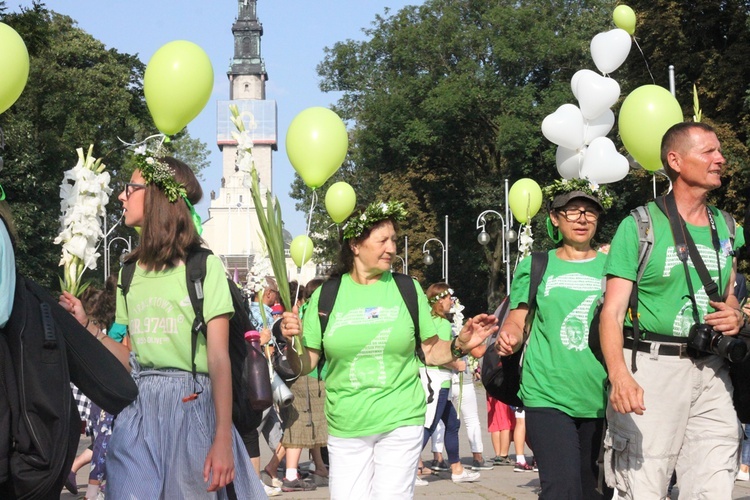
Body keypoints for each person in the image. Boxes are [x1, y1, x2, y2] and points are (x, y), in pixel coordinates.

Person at [279, 200, 497, 499]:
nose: (392, 248)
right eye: (382, 240)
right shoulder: (327, 295)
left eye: (393, 240)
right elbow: (305, 364)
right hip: (346, 424)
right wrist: (293, 342)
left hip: (400, 419)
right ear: (355, 245)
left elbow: (431, 352)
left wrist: (461, 345)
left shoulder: (407, 289)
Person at [89, 152, 265, 498]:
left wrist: (222, 440)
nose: (122, 196)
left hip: (192, 408)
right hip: (139, 412)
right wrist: (87, 328)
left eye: (131, 187)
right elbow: (127, 356)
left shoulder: (203, 268)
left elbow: (218, 360)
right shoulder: (128, 272)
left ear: (156, 196)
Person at [600, 121, 745, 498]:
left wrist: (736, 314)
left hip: (712, 371)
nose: (720, 159)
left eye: (719, 151)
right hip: (651, 372)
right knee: (643, 487)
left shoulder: (728, 227)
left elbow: (730, 295)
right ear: (676, 161)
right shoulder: (640, 226)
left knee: (714, 484)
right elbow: (612, 313)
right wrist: (619, 375)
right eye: (708, 152)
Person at [498, 179, 613, 499]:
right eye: (573, 211)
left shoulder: (613, 267)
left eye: (590, 213)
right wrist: (508, 338)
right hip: (546, 393)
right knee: (561, 489)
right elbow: (517, 321)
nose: (582, 218)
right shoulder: (537, 265)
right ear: (554, 217)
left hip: (600, 397)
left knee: (593, 492)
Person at [420, 283, 479, 484]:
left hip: (433, 378)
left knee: (452, 423)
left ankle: (457, 468)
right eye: (447, 298)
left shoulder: (430, 320)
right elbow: (441, 354)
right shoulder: (443, 324)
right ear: (438, 301)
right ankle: (407, 468)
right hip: (438, 380)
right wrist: (457, 364)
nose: (451, 301)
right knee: (429, 425)